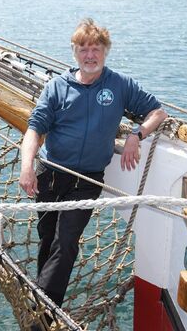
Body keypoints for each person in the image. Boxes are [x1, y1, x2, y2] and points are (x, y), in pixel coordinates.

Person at [18, 18, 168, 309]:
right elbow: (34, 129)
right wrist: (26, 167)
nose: (90, 55)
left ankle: (41, 313)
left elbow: (158, 112)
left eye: (96, 49)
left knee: (66, 243)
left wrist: (137, 134)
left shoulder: (120, 85)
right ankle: (43, 295)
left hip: (86, 180)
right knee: (47, 240)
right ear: (74, 53)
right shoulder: (57, 87)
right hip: (51, 173)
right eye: (83, 49)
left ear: (105, 51)